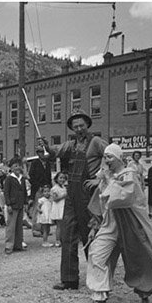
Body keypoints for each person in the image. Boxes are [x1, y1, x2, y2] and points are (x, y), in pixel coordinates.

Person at [82, 143, 152, 303]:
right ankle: (100, 299)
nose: (106, 160)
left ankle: (144, 294)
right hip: (111, 224)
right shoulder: (106, 176)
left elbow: (122, 198)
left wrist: (107, 180)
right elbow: (100, 203)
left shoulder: (129, 174)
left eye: (109, 156)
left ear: (118, 158)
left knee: (139, 257)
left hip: (130, 224)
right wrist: (94, 224)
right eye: (105, 156)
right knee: (97, 253)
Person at [44, 112, 106, 290]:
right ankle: (69, 279)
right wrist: (46, 147)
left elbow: (114, 157)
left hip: (88, 194)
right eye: (75, 126)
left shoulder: (96, 142)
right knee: (67, 235)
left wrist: (100, 178)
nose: (79, 129)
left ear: (87, 125)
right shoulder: (70, 145)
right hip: (72, 194)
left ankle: (97, 279)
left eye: (81, 125)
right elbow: (54, 152)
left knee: (90, 236)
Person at [2, 157, 28, 254]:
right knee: (11, 226)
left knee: (19, 226)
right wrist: (8, 204)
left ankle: (18, 244)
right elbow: (6, 192)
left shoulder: (22, 178)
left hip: (20, 204)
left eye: (19, 165)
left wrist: (25, 202)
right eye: (15, 165)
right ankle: (9, 245)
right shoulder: (9, 179)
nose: (18, 167)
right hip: (13, 204)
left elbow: (24, 191)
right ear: (11, 167)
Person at [28, 141, 53, 228]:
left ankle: (44, 227)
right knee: (37, 208)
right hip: (38, 189)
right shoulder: (35, 163)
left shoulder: (48, 164)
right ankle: (36, 228)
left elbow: (49, 177)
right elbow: (31, 177)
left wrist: (50, 187)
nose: (43, 154)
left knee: (46, 208)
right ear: (38, 153)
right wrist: (38, 186)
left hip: (47, 189)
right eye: (41, 152)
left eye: (44, 152)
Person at [49, 172, 67, 247]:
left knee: (63, 224)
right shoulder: (54, 189)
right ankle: (57, 240)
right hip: (58, 207)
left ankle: (63, 239)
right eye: (60, 178)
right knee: (59, 225)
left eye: (63, 178)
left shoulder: (64, 187)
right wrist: (63, 196)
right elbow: (55, 199)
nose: (62, 179)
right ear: (56, 179)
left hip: (63, 206)